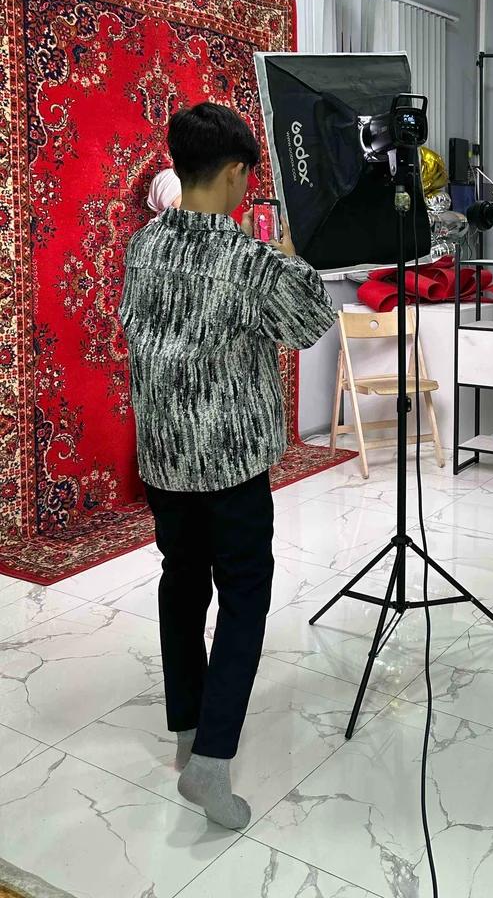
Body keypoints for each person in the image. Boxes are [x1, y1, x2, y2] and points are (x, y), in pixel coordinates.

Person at [119, 102, 336, 829]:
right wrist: (298, 256)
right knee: (245, 594)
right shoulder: (249, 261)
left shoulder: (144, 245)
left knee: (181, 584)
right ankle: (212, 761)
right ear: (238, 173)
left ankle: (187, 731)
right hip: (230, 462)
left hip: (163, 456)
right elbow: (310, 322)